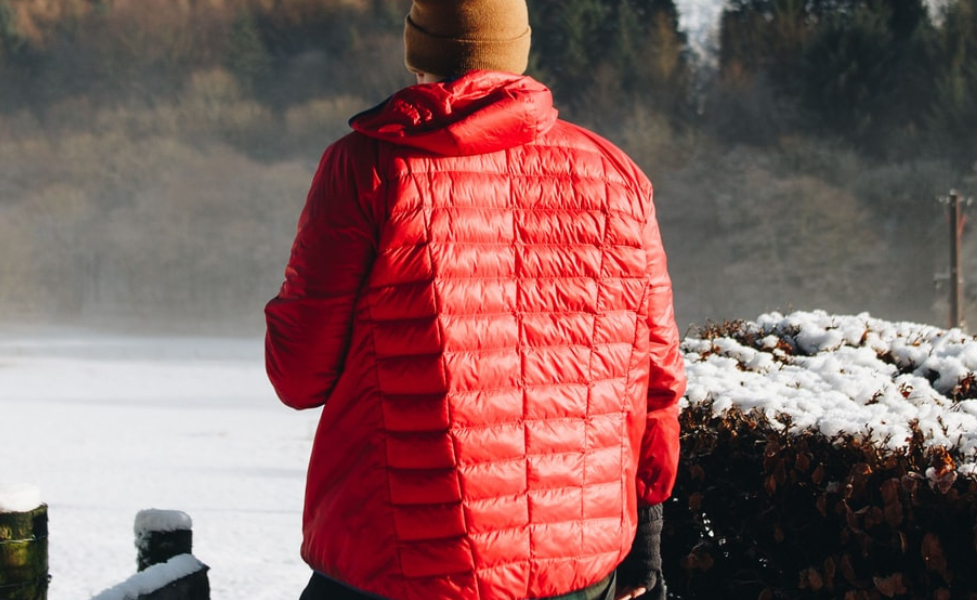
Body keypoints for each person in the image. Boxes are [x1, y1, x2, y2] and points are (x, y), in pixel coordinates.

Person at [264, 1, 686, 599]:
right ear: (518, 47)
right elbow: (658, 379)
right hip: (576, 562)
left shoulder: (365, 169)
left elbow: (298, 376)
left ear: (420, 49)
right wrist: (647, 536)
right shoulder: (617, 175)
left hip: (395, 559)